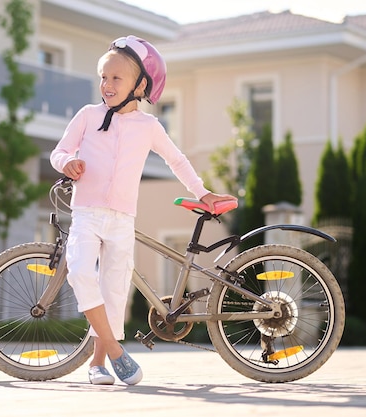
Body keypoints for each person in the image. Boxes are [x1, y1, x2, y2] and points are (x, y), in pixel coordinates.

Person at [50, 35, 236, 386]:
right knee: (80, 272)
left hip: (121, 218)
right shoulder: (88, 116)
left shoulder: (149, 126)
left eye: (116, 78)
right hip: (87, 212)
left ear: (141, 85)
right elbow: (59, 151)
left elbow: (176, 161)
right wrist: (68, 162)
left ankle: (98, 364)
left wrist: (203, 191)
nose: (107, 85)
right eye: (103, 77)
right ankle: (118, 353)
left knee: (115, 289)